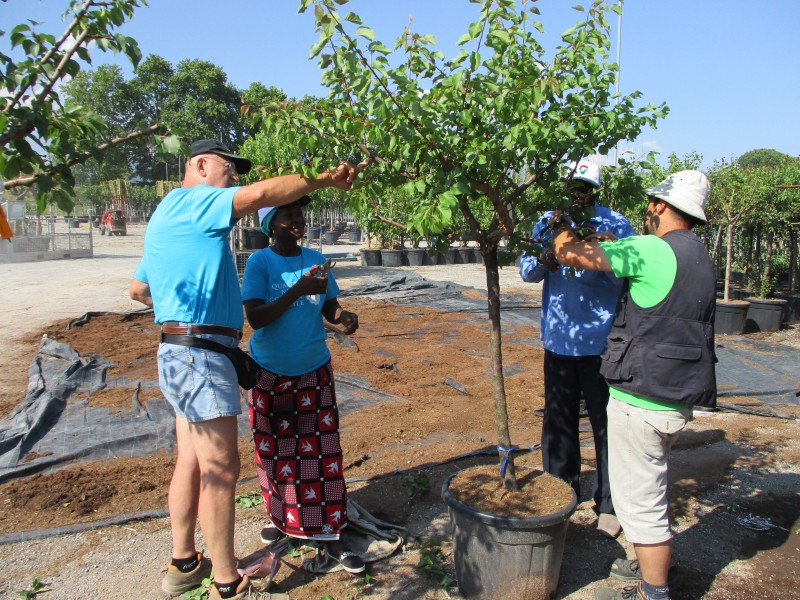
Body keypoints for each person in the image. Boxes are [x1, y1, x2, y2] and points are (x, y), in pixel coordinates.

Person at [129, 139, 364, 600]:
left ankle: (183, 563)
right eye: (228, 167)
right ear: (199, 165)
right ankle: (227, 582)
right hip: (200, 354)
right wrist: (326, 177)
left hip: (183, 349)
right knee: (222, 466)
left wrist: (183, 316)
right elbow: (258, 196)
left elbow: (139, 289)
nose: (234, 176)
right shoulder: (194, 203)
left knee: (194, 461)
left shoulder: (167, 219)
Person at [552, 170, 717, 600]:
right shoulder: (698, 255)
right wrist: (607, 240)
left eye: (651, 203)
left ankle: (654, 589)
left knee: (640, 500)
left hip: (642, 396)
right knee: (654, 482)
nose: (647, 210)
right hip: (678, 393)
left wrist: (560, 224)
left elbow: (570, 254)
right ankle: (656, 563)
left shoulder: (650, 249)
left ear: (661, 206)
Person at [240, 196, 365, 575]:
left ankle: (332, 533)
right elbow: (256, 318)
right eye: (289, 215)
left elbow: (329, 305)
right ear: (271, 223)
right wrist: (297, 289)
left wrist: (343, 317)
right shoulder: (260, 262)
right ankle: (284, 521)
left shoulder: (315, 257)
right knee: (277, 455)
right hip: (270, 375)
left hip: (313, 370)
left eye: (300, 214)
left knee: (324, 458)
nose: (298, 220)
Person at [520, 160, 633, 539]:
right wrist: (545, 255)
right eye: (572, 187)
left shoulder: (615, 225)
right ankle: (561, 491)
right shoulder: (547, 225)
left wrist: (590, 249)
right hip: (559, 341)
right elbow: (525, 272)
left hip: (601, 344)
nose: (577, 195)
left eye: (585, 187)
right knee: (558, 422)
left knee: (607, 425)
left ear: (596, 191)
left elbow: (626, 270)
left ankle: (609, 503)